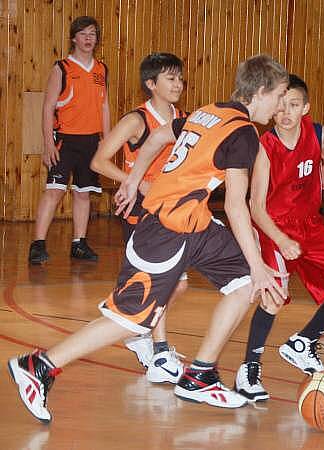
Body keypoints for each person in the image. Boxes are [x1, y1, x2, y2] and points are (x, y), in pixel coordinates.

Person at [8, 54, 288, 423]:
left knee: (243, 284)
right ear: (263, 91)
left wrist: (134, 179)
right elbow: (237, 206)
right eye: (280, 96)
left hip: (195, 222)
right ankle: (40, 365)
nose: (281, 104)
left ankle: (200, 375)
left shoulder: (210, 111)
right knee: (131, 320)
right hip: (166, 230)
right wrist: (259, 264)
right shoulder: (244, 132)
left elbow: (159, 136)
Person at [234, 75, 324, 402]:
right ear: (272, 108)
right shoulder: (265, 146)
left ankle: (302, 342)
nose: (286, 112)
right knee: (273, 297)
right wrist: (280, 239)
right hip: (275, 227)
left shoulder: (317, 133)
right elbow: (255, 207)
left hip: (311, 225)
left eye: (294, 105)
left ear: (306, 107)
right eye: (281, 106)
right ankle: (249, 368)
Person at [90, 53, 188, 383]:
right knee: (166, 281)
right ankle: (158, 348)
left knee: (176, 285)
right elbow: (99, 162)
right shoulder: (137, 121)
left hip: (173, 211)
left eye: (180, 78)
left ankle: (135, 322)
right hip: (141, 211)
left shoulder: (185, 119)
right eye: (170, 78)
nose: (178, 84)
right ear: (151, 84)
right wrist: (136, 182)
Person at [28, 16, 110, 264]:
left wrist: (106, 140)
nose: (88, 38)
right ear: (73, 38)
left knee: (83, 193)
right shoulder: (61, 68)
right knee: (54, 191)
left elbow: (104, 105)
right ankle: (38, 244)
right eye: (83, 34)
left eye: (93, 34)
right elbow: (47, 107)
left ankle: (79, 244)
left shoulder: (101, 69)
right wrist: (48, 143)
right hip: (64, 139)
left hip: (90, 141)